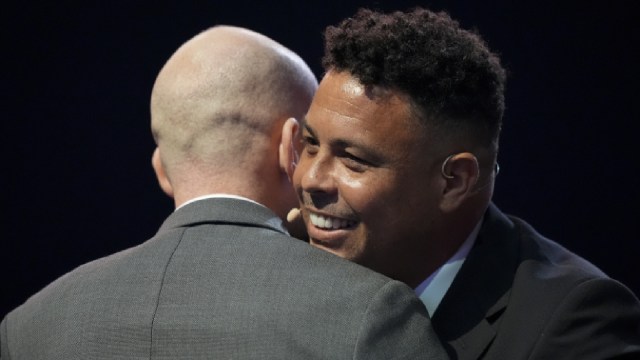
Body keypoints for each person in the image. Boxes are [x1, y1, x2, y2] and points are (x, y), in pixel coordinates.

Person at [0, 26, 447, 359]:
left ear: (162, 169)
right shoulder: (371, 313)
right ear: (290, 149)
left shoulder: (28, 327)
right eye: (311, 144)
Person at [285, 7, 640, 359]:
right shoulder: (286, 265)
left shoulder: (576, 325)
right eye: (311, 144)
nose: (312, 179)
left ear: (454, 182)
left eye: (354, 160)